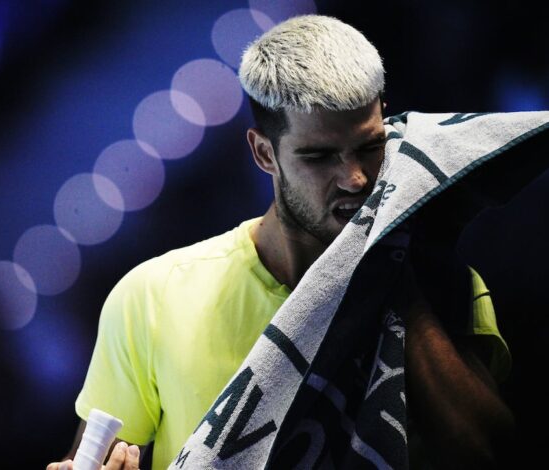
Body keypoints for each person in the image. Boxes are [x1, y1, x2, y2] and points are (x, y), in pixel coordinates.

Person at [47, 14, 513, 470]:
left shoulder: (443, 283)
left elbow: (490, 456)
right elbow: (93, 457)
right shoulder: (153, 296)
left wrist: (394, 283)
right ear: (264, 153)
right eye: (320, 156)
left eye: (370, 147)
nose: (354, 178)